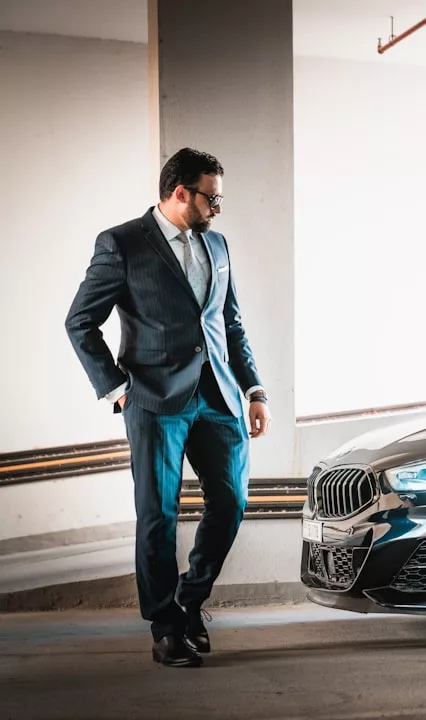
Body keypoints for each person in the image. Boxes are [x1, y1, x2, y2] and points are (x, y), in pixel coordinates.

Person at [65, 147, 271, 668]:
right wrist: (116, 387)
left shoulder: (218, 245)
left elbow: (230, 323)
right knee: (158, 514)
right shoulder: (121, 244)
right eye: (211, 199)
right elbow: (80, 322)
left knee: (231, 502)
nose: (217, 209)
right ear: (181, 192)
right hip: (154, 400)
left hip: (218, 396)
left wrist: (254, 390)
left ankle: (189, 598)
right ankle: (164, 627)